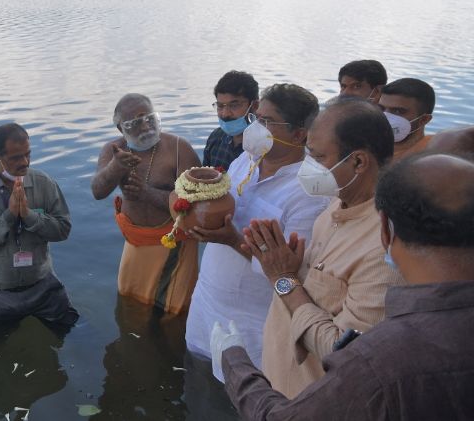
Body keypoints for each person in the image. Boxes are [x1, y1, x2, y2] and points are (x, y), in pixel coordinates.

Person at [210, 152, 474, 420]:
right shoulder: (332, 212)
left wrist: (235, 364)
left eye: (318, 155)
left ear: (384, 230)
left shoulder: (380, 356)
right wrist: (293, 271)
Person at [240, 98, 405, 398]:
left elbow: (346, 353)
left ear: (358, 162)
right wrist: (291, 267)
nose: (308, 166)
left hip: (313, 403)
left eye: (317, 157)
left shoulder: (385, 246)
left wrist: (284, 279)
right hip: (278, 389)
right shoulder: (336, 204)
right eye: (308, 154)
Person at [185, 84, 328, 373]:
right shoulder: (246, 161)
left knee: (242, 400)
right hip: (206, 306)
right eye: (256, 118)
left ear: (299, 134)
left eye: (266, 122)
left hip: (252, 325)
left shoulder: (311, 191)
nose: (255, 128)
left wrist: (231, 239)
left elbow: (291, 272)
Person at [0, 123, 79, 333]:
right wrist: (9, 216)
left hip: (43, 287)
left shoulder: (44, 183)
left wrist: (29, 216)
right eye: (15, 158)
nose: (24, 162)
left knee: (74, 334)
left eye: (28, 154)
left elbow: (63, 229)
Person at [91, 93, 201, 314]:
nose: (145, 127)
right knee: (131, 303)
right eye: (135, 123)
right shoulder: (114, 150)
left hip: (174, 246)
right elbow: (98, 191)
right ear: (121, 129)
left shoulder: (179, 149)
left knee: (173, 311)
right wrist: (116, 166)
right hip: (135, 243)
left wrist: (147, 193)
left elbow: (195, 206)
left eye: (149, 118)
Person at [202, 71, 260, 169]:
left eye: (234, 105)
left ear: (255, 106)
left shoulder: (265, 145)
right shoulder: (216, 138)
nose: (225, 114)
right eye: (220, 106)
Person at [377, 77, 435, 160]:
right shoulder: (366, 147)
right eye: (381, 108)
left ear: (424, 120)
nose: (385, 116)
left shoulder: (430, 158)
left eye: (398, 111)